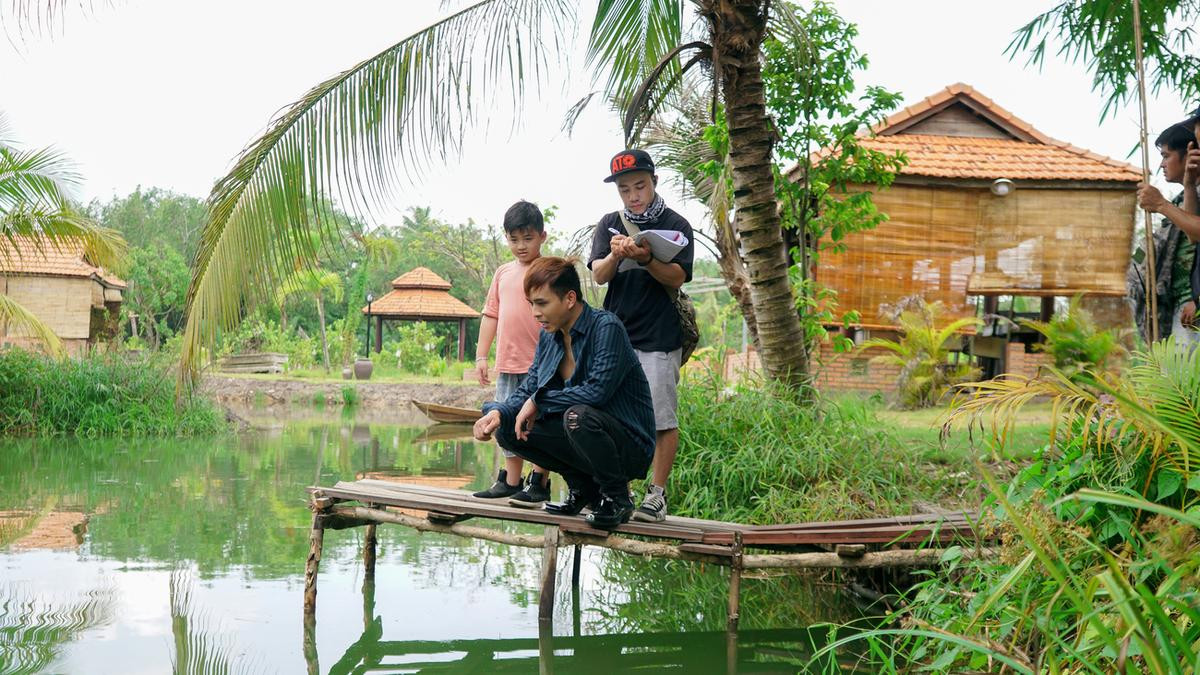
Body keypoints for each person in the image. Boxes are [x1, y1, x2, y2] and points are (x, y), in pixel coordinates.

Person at [473, 256, 656, 529]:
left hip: (628, 444)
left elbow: (596, 393)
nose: (535, 312)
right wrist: (500, 411)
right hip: (584, 433)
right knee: (508, 427)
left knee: (576, 416)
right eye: (531, 304)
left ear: (569, 299)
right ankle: (582, 489)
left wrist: (538, 401)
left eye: (542, 303)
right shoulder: (549, 334)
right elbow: (532, 383)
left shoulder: (606, 328)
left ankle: (618, 498)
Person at [587, 149, 693, 522]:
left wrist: (648, 258)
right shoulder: (608, 224)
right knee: (608, 415)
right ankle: (618, 492)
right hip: (615, 337)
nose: (633, 195)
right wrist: (616, 256)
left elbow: (677, 278)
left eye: (640, 186)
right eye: (625, 190)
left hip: (660, 336)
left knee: (661, 417)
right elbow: (598, 276)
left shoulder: (677, 224)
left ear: (654, 182)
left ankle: (657, 495)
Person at [472, 201, 553, 507]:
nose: (521, 246)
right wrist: (482, 356)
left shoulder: (549, 269)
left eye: (528, 238)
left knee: (538, 423)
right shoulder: (503, 273)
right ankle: (511, 479)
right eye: (514, 239)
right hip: (508, 363)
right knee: (504, 420)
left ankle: (540, 480)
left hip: (541, 366)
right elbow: (491, 314)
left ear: (542, 236)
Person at [1136, 111, 1200, 348]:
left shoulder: (1174, 204)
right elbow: (1193, 237)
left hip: (1191, 307)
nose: (1162, 164)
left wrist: (1161, 205)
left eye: (1166, 155)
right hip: (1183, 306)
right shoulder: (1187, 194)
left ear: (1190, 151)